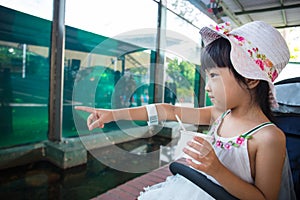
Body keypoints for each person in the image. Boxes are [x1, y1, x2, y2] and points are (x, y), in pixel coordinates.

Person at [75, 21, 296, 199]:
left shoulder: (268, 137)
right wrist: (114, 115)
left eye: (214, 76)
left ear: (249, 78)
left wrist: (216, 169)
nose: (207, 86)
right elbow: (168, 111)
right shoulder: (220, 114)